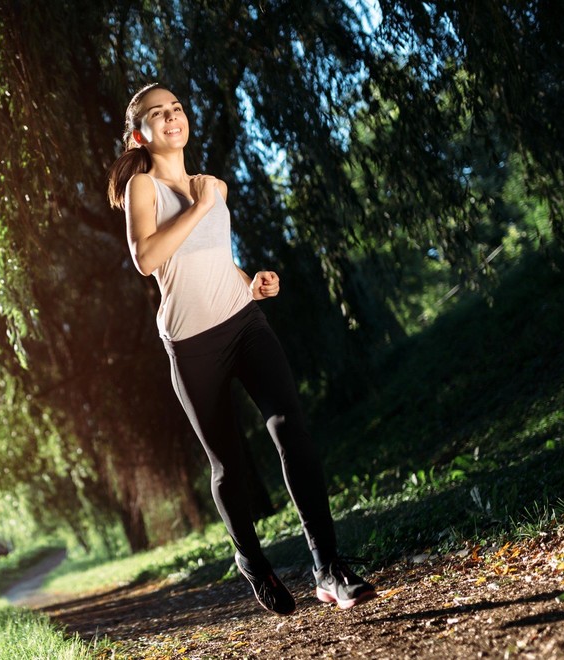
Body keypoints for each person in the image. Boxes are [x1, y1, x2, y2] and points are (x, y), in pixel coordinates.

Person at [106, 83, 377, 614]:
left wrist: (250, 282)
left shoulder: (215, 187)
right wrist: (201, 204)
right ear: (140, 133)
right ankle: (252, 561)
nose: (171, 119)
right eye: (157, 115)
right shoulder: (143, 188)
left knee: (290, 428)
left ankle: (329, 568)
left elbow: (211, 256)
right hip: (191, 341)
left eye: (177, 109)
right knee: (228, 465)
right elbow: (147, 258)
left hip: (244, 320)